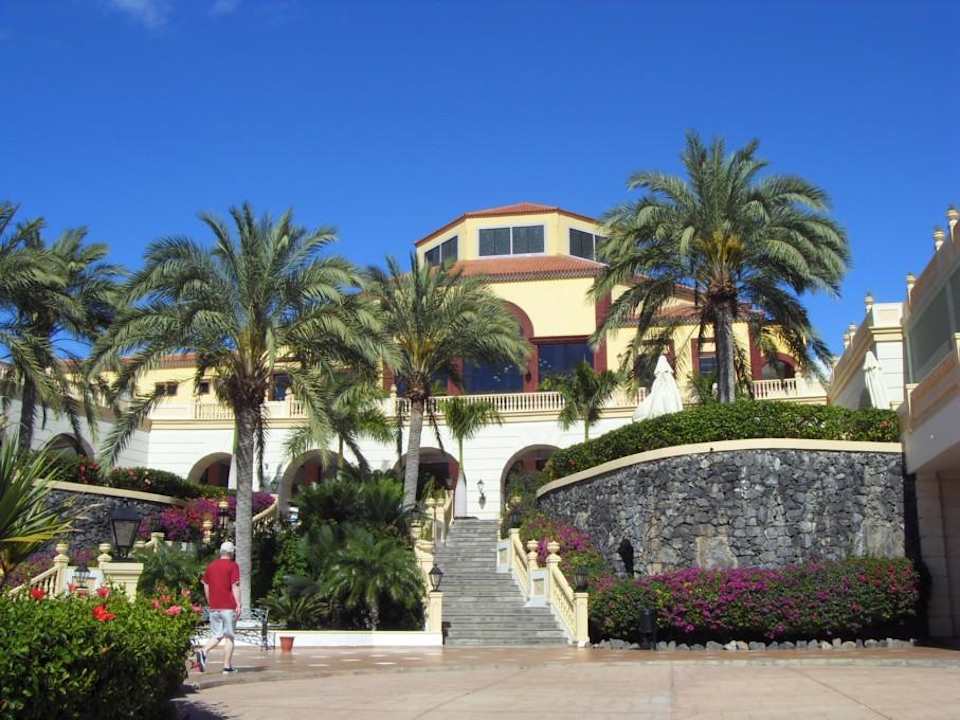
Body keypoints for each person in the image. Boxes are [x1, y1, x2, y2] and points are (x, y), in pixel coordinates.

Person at [196, 540, 241, 674]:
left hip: (214, 607)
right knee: (229, 637)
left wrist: (210, 600)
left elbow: (205, 584)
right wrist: (238, 603)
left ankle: (203, 651)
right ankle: (227, 666)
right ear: (232, 552)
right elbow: (235, 585)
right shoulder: (233, 566)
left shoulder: (211, 566)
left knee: (217, 635)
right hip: (228, 606)